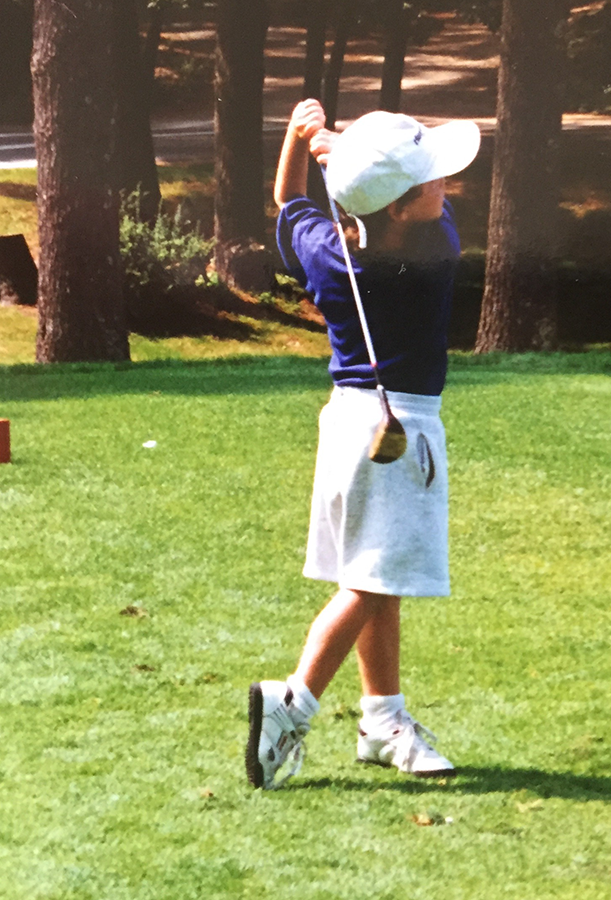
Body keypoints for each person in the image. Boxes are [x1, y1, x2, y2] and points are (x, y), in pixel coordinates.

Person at [245, 99, 480, 790]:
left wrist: (301, 139)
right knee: (374, 579)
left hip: (350, 422)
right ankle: (294, 701)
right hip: (401, 432)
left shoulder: (327, 251)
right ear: (402, 209)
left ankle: (383, 719)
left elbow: (288, 199)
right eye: (433, 182)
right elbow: (428, 215)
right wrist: (339, 146)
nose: (447, 189)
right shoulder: (438, 254)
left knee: (383, 578)